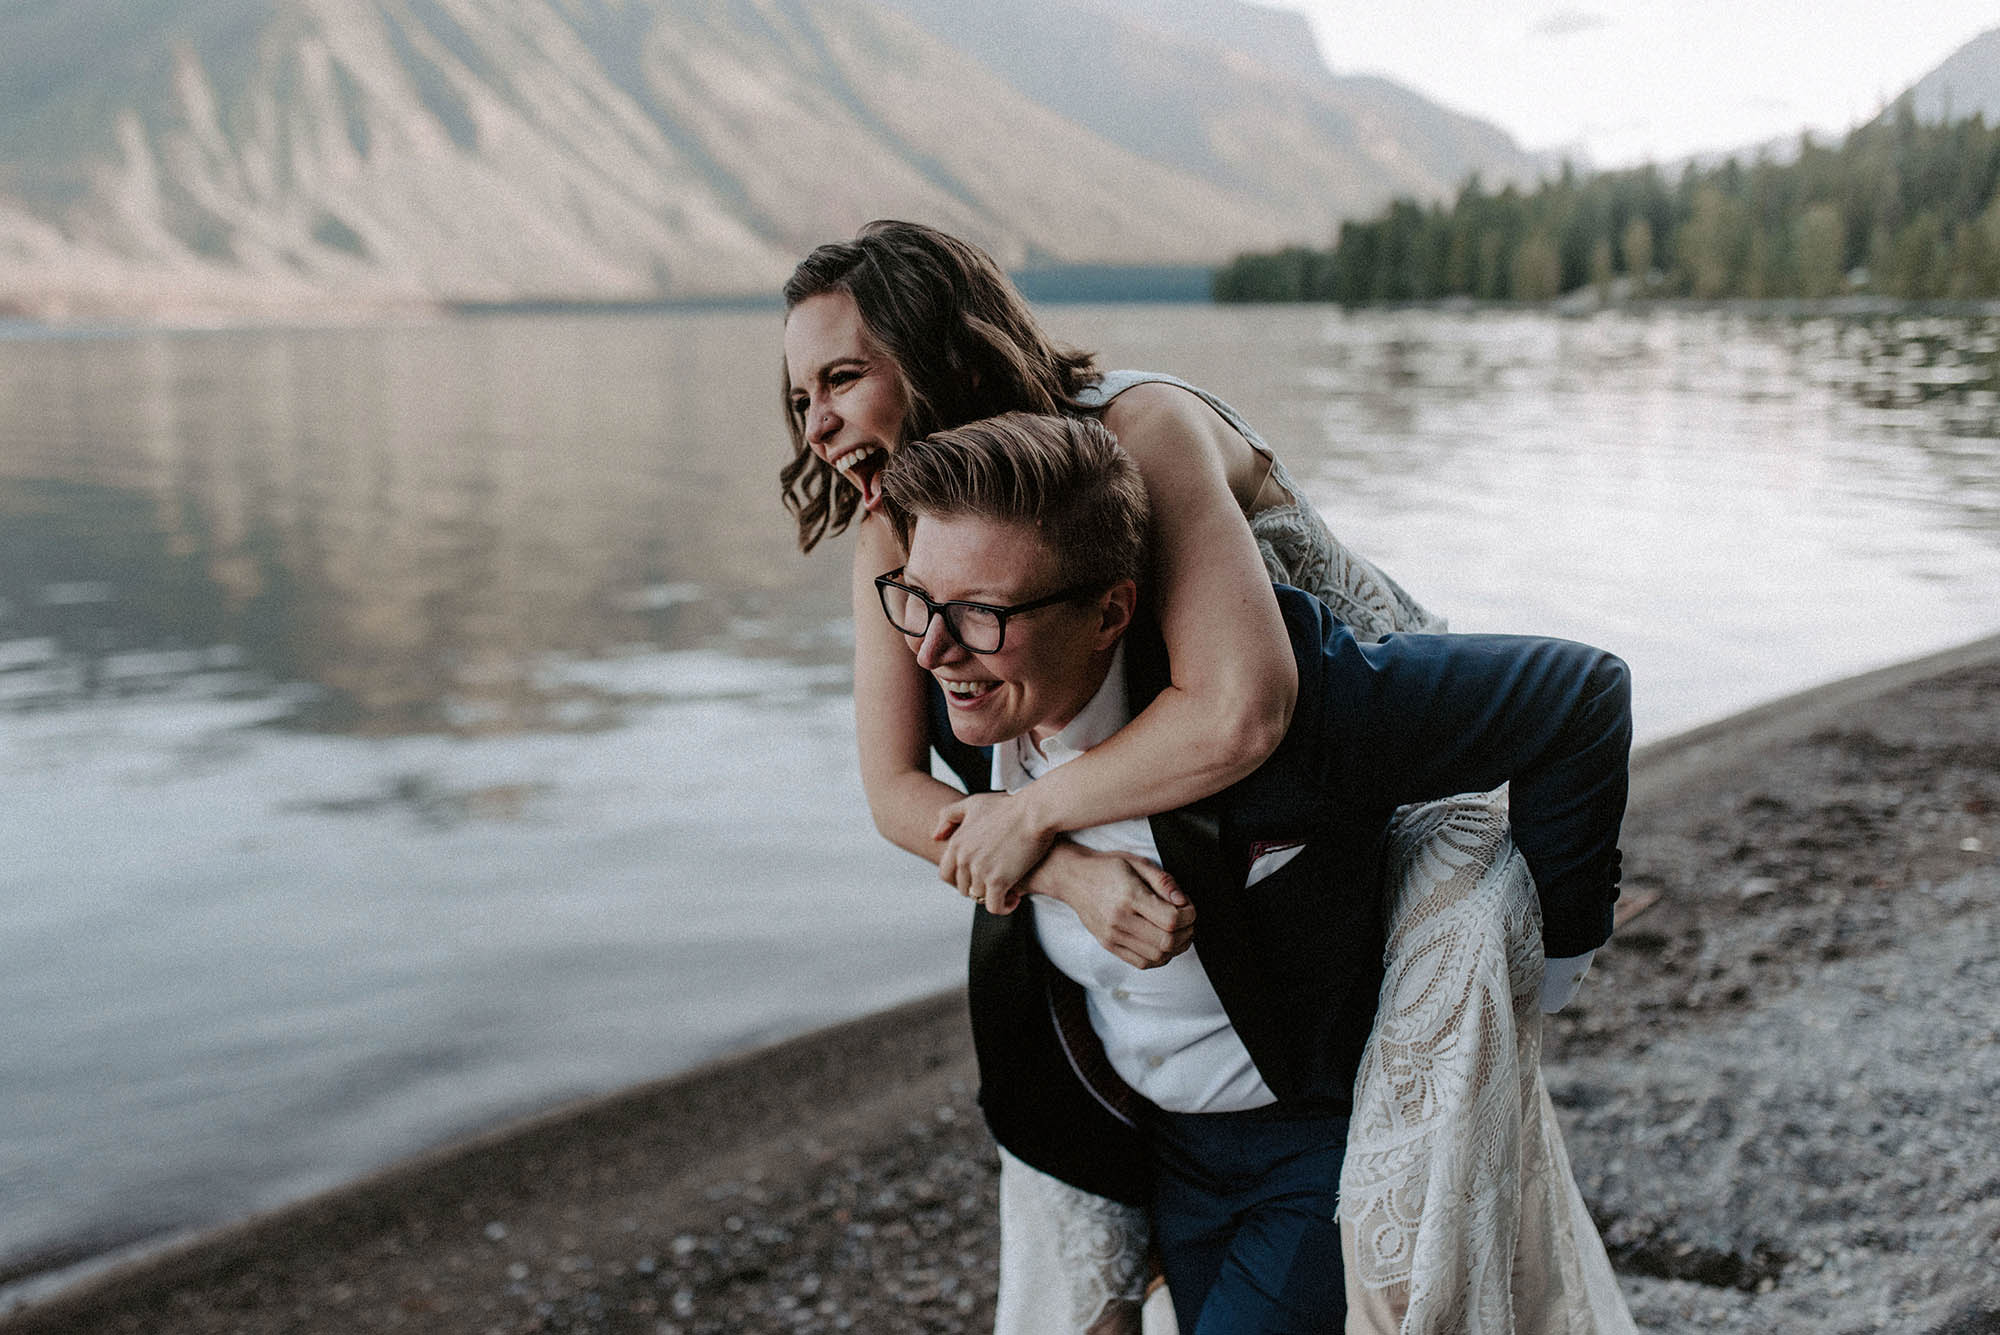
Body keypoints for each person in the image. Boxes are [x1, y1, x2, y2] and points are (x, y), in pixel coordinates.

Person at [780, 220, 1629, 1332]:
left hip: (1366, 761)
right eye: (800, 397)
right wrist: (1067, 873)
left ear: (937, 351)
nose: (818, 421)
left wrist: (1028, 813)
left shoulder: (1135, 436)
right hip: (1175, 961)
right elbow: (896, 792)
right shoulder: (904, 530)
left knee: (1420, 1167)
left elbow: (1239, 711)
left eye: (842, 377)